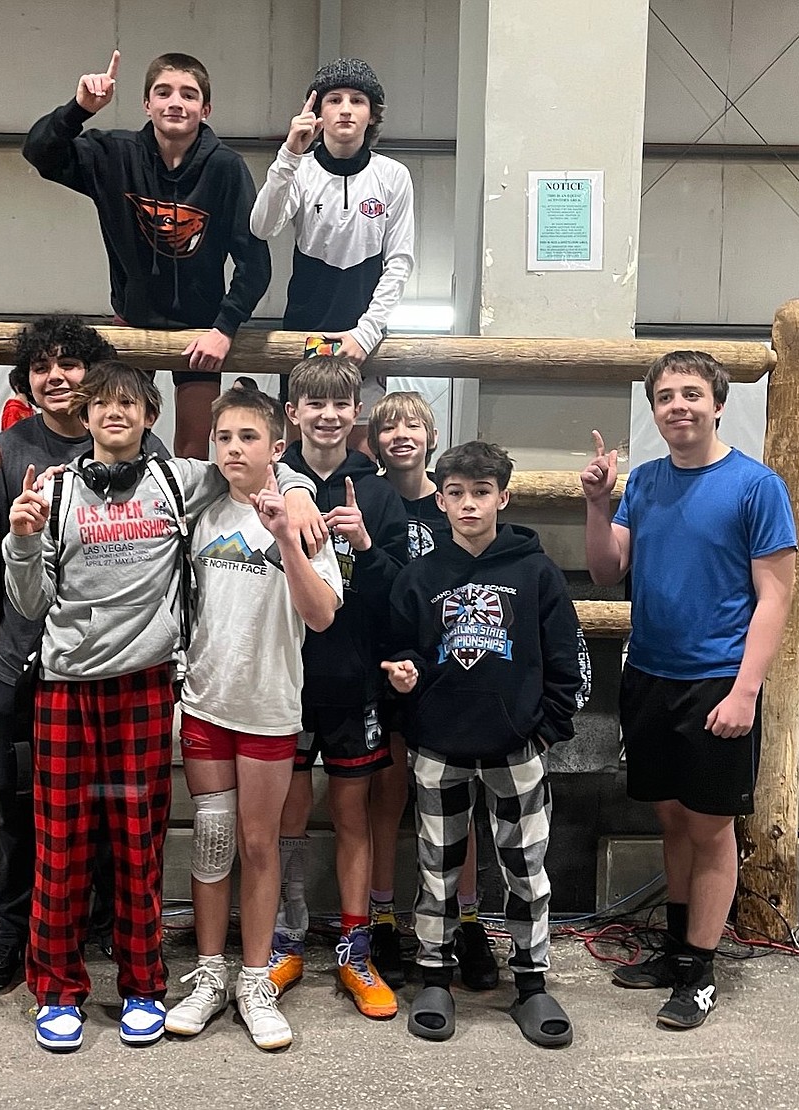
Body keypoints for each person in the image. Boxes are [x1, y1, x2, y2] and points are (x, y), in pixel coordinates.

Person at [2, 362, 325, 1053]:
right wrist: (23, 539)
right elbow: (29, 605)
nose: (114, 414)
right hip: (67, 687)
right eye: (101, 405)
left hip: (149, 686)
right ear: (83, 417)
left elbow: (260, 469)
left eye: (129, 404)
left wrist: (299, 495)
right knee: (60, 848)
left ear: (150, 417)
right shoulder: (55, 493)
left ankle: (145, 983)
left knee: (138, 845)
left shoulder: (181, 481)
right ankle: (57, 991)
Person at [581, 350, 795, 1030]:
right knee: (672, 817)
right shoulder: (644, 483)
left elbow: (776, 595)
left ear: (718, 403)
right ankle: (677, 950)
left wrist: (745, 692)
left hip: (716, 682)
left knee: (711, 828)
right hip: (649, 675)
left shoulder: (756, 487)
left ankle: (700, 970)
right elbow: (608, 568)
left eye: (691, 394)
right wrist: (596, 504)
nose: (679, 405)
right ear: (655, 410)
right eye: (666, 395)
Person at [0, 315, 164, 993]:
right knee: (22, 812)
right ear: (27, 380)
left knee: (110, 812)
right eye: (42, 367)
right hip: (28, 661)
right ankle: (18, 931)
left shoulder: (143, 451)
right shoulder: (11, 450)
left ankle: (99, 928)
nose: (56, 377)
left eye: (70, 364)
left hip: (117, 669)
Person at [383, 440, 589, 1047]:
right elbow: (403, 651)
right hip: (438, 747)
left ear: (503, 496)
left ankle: (531, 980)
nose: (468, 505)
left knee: (527, 869)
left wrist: (545, 729)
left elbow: (563, 659)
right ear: (440, 499)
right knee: (436, 866)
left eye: (480, 493)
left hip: (516, 748)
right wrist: (405, 686)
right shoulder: (420, 576)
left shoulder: (536, 570)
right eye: (455, 493)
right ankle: (435, 975)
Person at [164, 388, 342, 1050]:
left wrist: (287, 538)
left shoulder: (303, 517)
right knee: (212, 839)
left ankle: (256, 976)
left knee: (260, 843)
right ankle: (210, 974)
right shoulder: (201, 512)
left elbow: (321, 614)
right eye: (224, 438)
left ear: (277, 449)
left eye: (248, 437)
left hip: (270, 709)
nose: (234, 448)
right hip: (208, 704)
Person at [23, 50, 272, 460]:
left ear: (205, 109)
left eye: (189, 95)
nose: (176, 102)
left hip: (201, 330)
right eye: (164, 92)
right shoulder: (114, 155)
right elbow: (40, 153)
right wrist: (79, 109)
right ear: (147, 104)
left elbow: (255, 262)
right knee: (118, 435)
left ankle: (183, 522)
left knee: (194, 446)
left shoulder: (226, 168)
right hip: (132, 321)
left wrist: (225, 327)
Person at [267, 355, 408, 1020]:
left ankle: (356, 948)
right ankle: (286, 937)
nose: (327, 416)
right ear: (292, 413)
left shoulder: (378, 494)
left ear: (357, 416)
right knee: (287, 819)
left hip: (354, 683)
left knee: (353, 817)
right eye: (313, 405)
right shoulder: (265, 485)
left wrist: (370, 547)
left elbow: (403, 597)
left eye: (340, 405)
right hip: (284, 683)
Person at [363, 391, 499, 992]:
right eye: (388, 425)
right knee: (388, 799)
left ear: (431, 433)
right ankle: (384, 918)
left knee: (455, 807)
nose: (400, 434)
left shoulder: (453, 503)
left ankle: (465, 920)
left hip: (451, 675)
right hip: (388, 665)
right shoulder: (365, 497)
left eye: (412, 423)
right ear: (373, 439)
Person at [249, 57, 414, 450]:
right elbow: (262, 226)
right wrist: (288, 156)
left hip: (364, 335)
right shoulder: (300, 170)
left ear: (372, 114)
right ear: (317, 111)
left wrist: (367, 331)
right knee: (299, 449)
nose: (345, 109)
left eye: (357, 100)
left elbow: (400, 262)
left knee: (357, 455)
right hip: (304, 329)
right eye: (334, 99)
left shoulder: (393, 176)